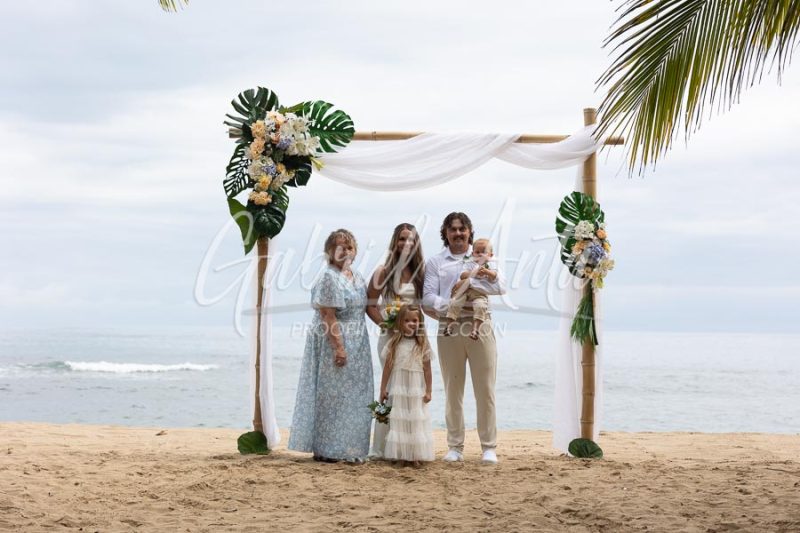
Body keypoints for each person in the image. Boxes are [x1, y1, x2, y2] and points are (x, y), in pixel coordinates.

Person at [422, 213, 506, 464]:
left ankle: (488, 447)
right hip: (449, 326)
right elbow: (427, 296)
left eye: (462, 229)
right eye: (453, 229)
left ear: (469, 232)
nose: (458, 233)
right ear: (445, 233)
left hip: (481, 326)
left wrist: (468, 285)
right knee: (452, 389)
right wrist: (451, 304)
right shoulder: (436, 262)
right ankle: (455, 446)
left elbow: (500, 287)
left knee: (485, 389)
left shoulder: (484, 256)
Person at [288, 229, 373, 463]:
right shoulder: (329, 277)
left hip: (359, 342)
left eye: (349, 247)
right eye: (340, 247)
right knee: (333, 395)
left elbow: (365, 309)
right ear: (329, 252)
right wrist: (339, 348)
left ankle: (350, 448)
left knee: (354, 395)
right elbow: (328, 315)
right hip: (335, 340)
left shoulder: (356, 277)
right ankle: (329, 450)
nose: (345, 251)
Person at [365, 223, 425, 458]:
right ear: (395, 242)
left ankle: (407, 446)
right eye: (402, 239)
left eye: (411, 239)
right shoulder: (383, 271)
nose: (406, 244)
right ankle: (382, 448)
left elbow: (422, 308)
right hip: (390, 340)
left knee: (411, 388)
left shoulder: (420, 272)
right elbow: (370, 304)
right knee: (391, 389)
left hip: (413, 340)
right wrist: (386, 324)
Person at [379, 304, 434, 465]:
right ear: (400, 323)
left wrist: (429, 390)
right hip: (399, 387)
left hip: (416, 388)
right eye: (407, 320)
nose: (411, 323)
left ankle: (415, 455)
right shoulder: (394, 344)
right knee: (400, 420)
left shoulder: (423, 344)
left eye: (415, 320)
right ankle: (402, 455)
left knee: (415, 420)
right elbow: (387, 368)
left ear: (420, 323)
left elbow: (428, 370)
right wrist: (383, 389)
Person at [444, 238, 498, 340]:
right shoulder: (470, 263)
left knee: (481, 306)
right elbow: (463, 275)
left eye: (484, 252)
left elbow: (494, 276)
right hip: (466, 291)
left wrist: (487, 272)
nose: (480, 255)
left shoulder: (491, 265)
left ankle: (475, 329)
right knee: (455, 303)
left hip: (480, 293)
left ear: (490, 255)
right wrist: (474, 273)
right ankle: (449, 325)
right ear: (473, 253)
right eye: (477, 252)